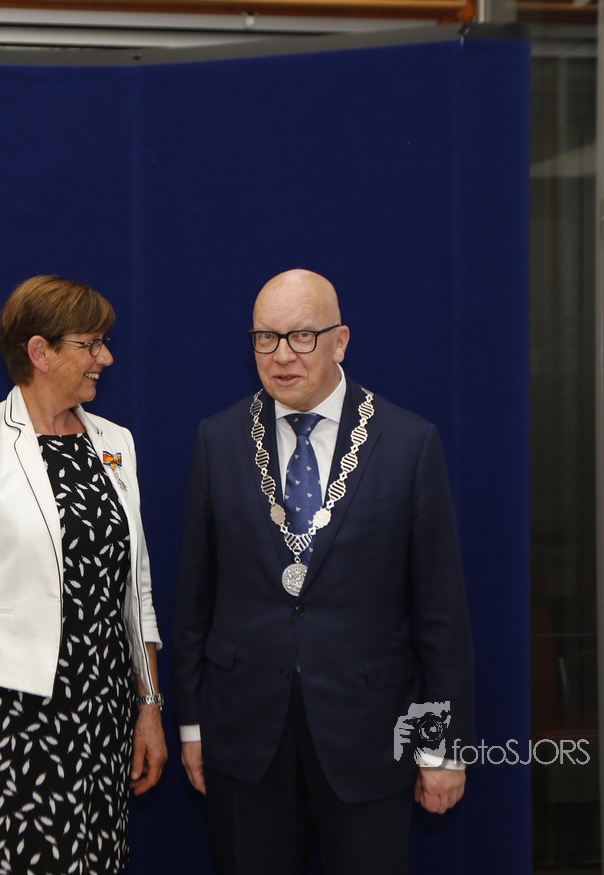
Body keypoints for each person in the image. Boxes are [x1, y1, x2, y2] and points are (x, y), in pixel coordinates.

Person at [172, 268, 474, 875]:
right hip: (244, 737)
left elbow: (440, 615)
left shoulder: (409, 442)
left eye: (302, 336)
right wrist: (192, 725)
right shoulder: (218, 439)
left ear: (341, 341)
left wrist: (439, 747)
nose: (282, 355)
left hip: (370, 738)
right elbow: (194, 599)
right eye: (266, 337)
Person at [0, 275, 167, 874]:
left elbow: (137, 593)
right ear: (39, 352)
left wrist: (149, 706)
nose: (106, 358)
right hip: (6, 724)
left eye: (104, 343)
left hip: (102, 718)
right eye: (91, 344)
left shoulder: (116, 443)